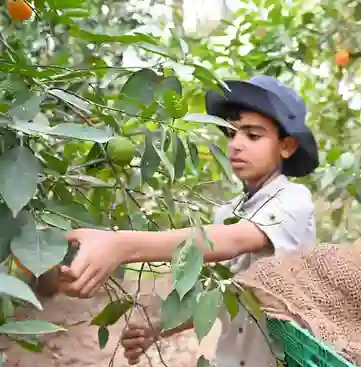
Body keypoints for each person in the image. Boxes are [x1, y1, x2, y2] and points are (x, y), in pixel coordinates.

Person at [58, 76, 320, 367]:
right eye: (231, 134)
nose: (236, 145)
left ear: (286, 146)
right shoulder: (227, 212)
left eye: (253, 136)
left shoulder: (294, 200)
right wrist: (160, 328)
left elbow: (231, 241)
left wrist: (121, 245)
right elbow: (220, 296)